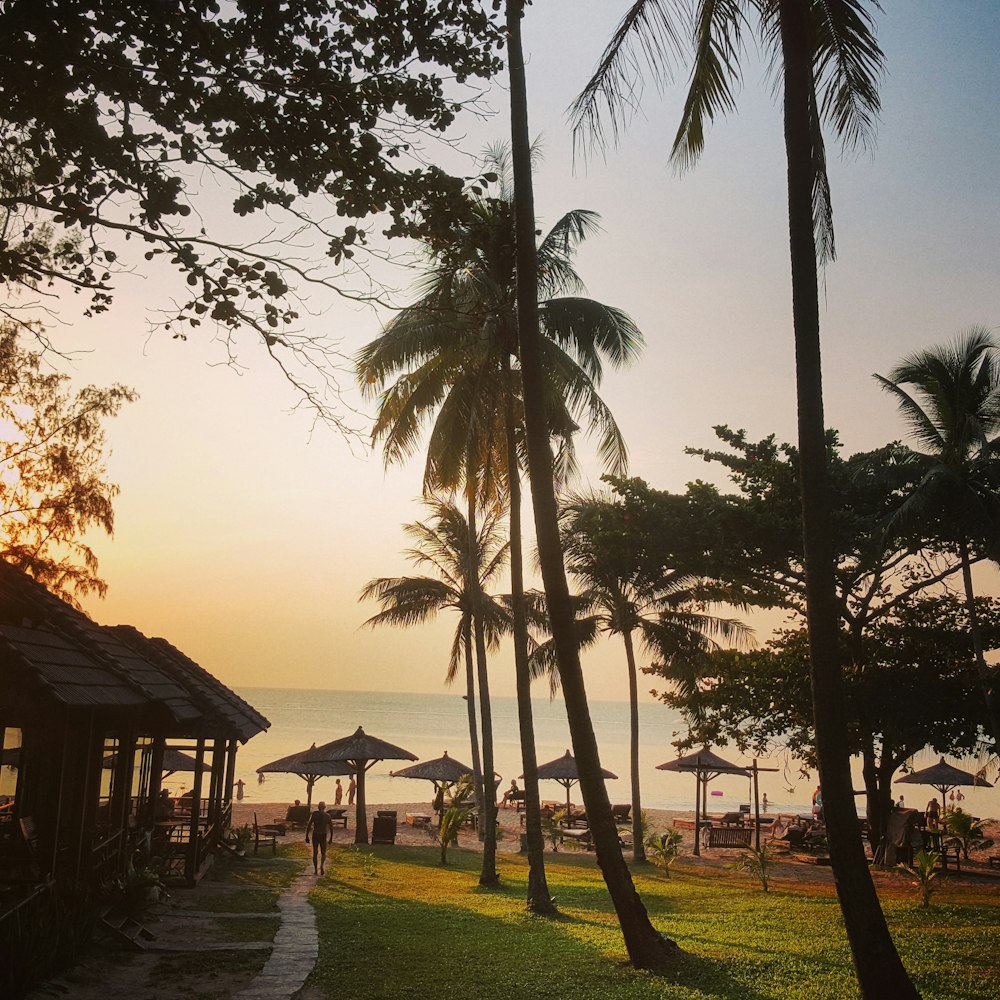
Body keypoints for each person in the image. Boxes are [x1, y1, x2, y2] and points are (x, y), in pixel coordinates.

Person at [305, 801, 336, 875]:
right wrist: (331, 838)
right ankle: (321, 866)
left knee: (315, 853)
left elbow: (309, 825)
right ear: (325, 807)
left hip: (316, 834)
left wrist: (306, 836)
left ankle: (316, 870)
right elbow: (331, 828)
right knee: (323, 853)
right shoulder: (327, 816)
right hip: (323, 835)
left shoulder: (314, 814)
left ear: (318, 807)